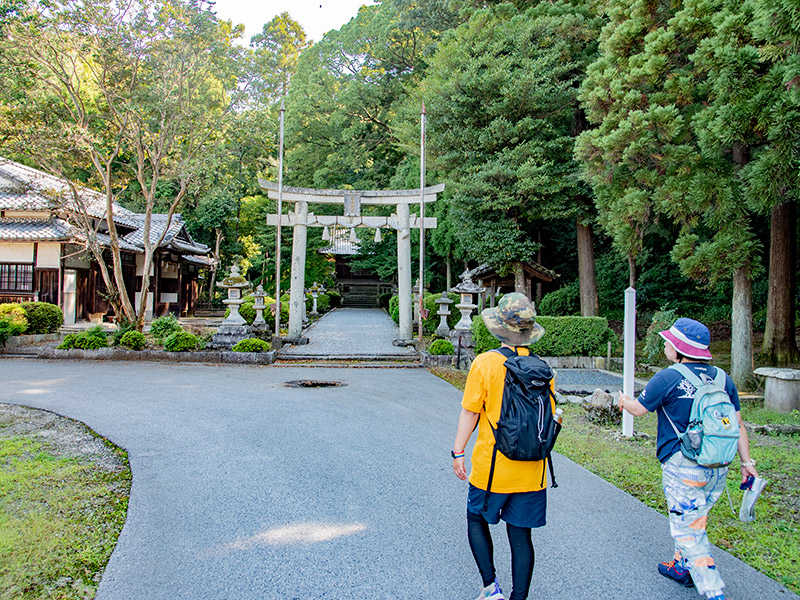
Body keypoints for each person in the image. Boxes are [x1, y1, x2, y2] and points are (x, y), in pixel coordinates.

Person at [617, 318, 758, 600]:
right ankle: (682, 566)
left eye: (669, 341)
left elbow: (638, 409)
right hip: (718, 466)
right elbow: (738, 424)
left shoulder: (668, 377)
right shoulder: (722, 378)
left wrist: (623, 400)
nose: (666, 344)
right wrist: (747, 463)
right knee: (695, 517)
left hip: (684, 466)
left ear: (679, 347)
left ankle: (714, 591)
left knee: (688, 530)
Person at [452, 293, 554, 600]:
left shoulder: (485, 363)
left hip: (493, 466)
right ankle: (518, 598)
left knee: (475, 518)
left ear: (500, 327)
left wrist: (458, 451)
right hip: (533, 468)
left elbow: (470, 411)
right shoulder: (543, 368)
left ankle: (490, 587)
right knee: (521, 534)